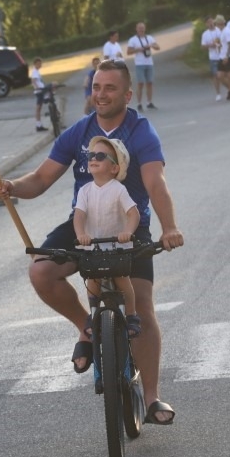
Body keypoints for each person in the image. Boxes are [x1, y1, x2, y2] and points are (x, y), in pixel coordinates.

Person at [0, 60, 183, 425]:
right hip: (83, 228)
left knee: (140, 305)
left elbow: (155, 183)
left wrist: (169, 226)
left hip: (129, 228)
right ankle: (86, 326)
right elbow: (41, 178)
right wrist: (13, 188)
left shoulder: (140, 132)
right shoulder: (79, 132)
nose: (101, 94)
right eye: (96, 87)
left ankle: (154, 396)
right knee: (41, 273)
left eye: (110, 88)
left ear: (127, 94)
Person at [73, 136, 142, 340]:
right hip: (93, 246)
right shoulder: (85, 191)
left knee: (123, 280)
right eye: (91, 155)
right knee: (92, 281)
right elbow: (79, 216)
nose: (93, 158)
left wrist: (127, 232)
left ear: (114, 168)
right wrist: (81, 235)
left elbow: (133, 213)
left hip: (116, 247)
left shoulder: (118, 190)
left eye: (101, 156)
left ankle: (131, 315)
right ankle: (93, 315)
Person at [126, 22, 160, 110]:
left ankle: (149, 102)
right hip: (139, 64)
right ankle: (139, 103)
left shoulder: (149, 38)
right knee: (140, 83)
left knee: (150, 83)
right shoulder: (133, 40)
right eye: (139, 28)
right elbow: (128, 52)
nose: (141, 29)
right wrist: (139, 49)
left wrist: (151, 45)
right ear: (136, 29)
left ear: (145, 29)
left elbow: (157, 47)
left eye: (142, 28)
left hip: (149, 63)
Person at [200, 17, 224, 101]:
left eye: (211, 21)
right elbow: (202, 46)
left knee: (225, 74)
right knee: (215, 75)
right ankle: (218, 93)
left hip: (222, 55)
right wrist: (210, 45)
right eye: (208, 22)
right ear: (206, 24)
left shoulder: (219, 30)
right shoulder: (205, 34)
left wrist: (220, 44)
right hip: (213, 57)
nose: (210, 23)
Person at [30, 57, 47, 132]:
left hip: (41, 91)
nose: (40, 65)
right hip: (39, 91)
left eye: (41, 63)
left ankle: (39, 124)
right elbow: (33, 80)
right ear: (35, 64)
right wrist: (37, 88)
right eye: (39, 63)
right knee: (38, 108)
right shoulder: (34, 72)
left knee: (39, 108)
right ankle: (38, 125)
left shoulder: (36, 71)